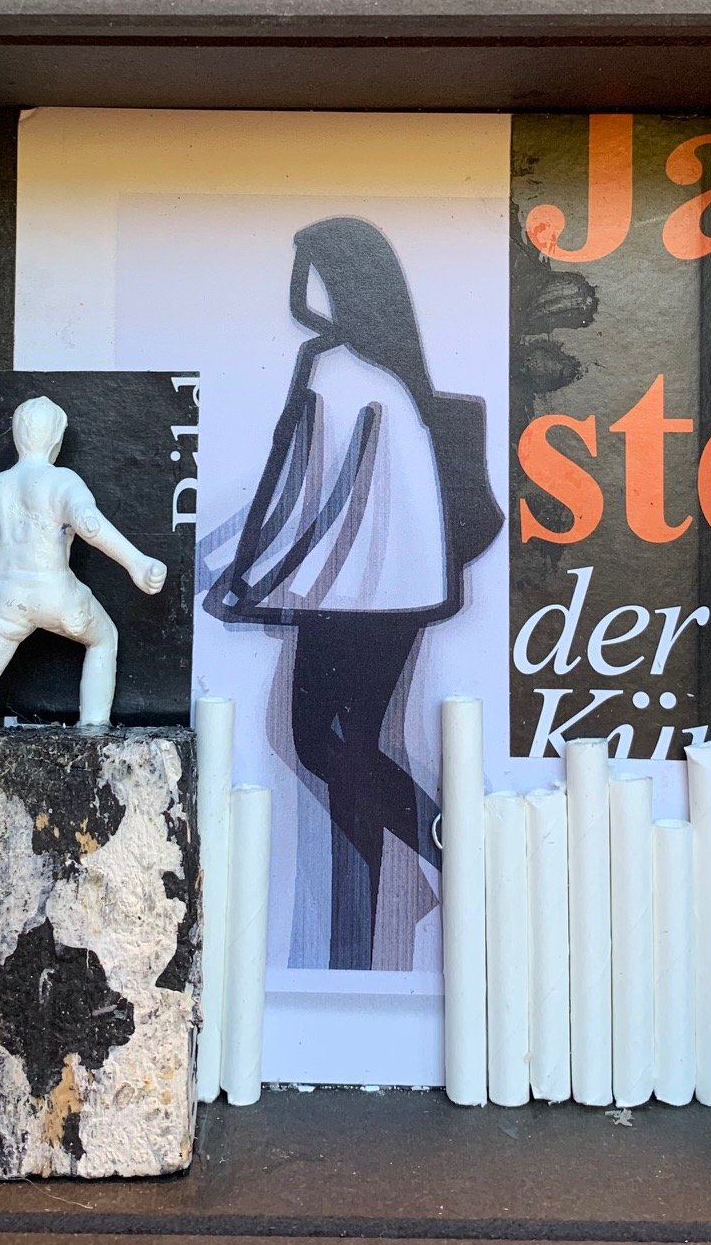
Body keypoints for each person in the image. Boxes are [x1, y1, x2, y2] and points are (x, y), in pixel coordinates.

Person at [208, 217, 503, 969]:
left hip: (346, 594)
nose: (297, 291)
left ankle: (401, 890)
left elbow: (307, 492)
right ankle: (438, 860)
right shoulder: (391, 371)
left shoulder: (334, 368)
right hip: (398, 595)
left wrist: (250, 579)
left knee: (324, 743)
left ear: (335, 284)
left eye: (307, 272)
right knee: (352, 748)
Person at [0, 395, 167, 809]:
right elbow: (89, 524)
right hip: (56, 593)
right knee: (103, 638)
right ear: (56, 440)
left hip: (7, 598)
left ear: (17, 436)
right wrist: (136, 562)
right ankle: (93, 733)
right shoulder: (62, 481)